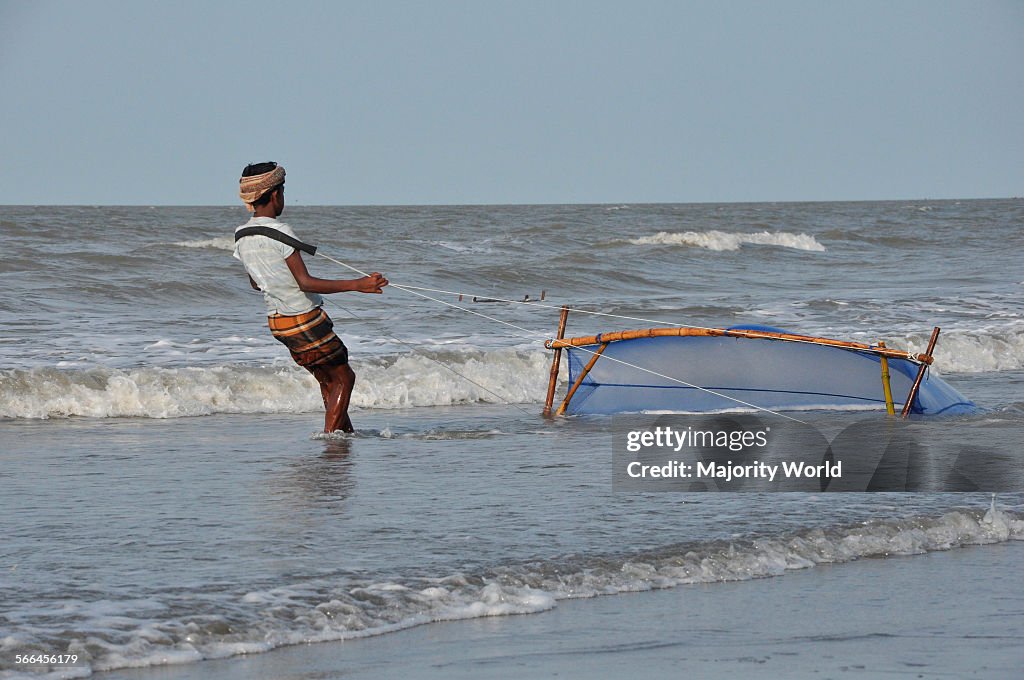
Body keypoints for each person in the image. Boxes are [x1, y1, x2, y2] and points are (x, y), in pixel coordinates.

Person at [233, 162, 388, 433]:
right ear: (275, 195)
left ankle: (342, 440)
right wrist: (358, 284)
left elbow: (256, 283)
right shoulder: (282, 232)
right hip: (303, 318)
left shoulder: (241, 235)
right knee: (344, 378)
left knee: (328, 380)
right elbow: (304, 282)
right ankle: (330, 441)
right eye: (282, 191)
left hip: (278, 324)